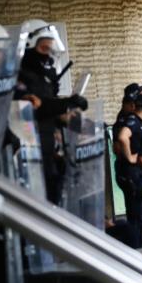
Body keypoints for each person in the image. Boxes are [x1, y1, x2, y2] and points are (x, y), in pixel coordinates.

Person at [17, 19, 88, 205]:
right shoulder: (19, 75)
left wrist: (68, 117)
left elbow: (50, 109)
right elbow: (36, 106)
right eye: (43, 48)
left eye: (50, 48)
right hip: (29, 152)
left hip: (49, 150)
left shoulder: (44, 77)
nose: (48, 54)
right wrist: (66, 103)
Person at [115, 93, 142, 247]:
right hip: (133, 173)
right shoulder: (134, 121)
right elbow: (122, 137)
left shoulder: (137, 121)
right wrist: (130, 157)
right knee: (136, 214)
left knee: (138, 212)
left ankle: (140, 244)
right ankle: (137, 247)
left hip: (133, 173)